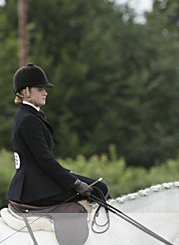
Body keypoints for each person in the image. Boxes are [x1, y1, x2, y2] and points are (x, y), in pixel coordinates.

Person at [7, 63, 109, 208]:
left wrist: (70, 176)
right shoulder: (28, 119)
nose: (45, 93)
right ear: (25, 92)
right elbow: (45, 160)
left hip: (38, 180)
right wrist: (74, 182)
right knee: (98, 189)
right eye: (40, 89)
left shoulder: (31, 115)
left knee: (99, 187)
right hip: (34, 187)